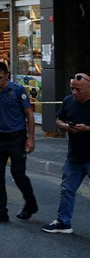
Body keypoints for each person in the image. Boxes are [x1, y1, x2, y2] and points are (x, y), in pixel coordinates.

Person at [0, 62, 38, 224]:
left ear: (7, 76)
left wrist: (31, 138)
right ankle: (0, 210)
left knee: (18, 175)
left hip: (17, 138)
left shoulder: (18, 91)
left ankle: (30, 204)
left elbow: (29, 115)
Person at [41, 73, 90, 234]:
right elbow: (58, 119)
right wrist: (66, 127)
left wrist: (87, 128)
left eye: (79, 90)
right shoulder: (68, 101)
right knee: (67, 190)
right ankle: (63, 222)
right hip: (74, 156)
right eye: (72, 88)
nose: (74, 92)